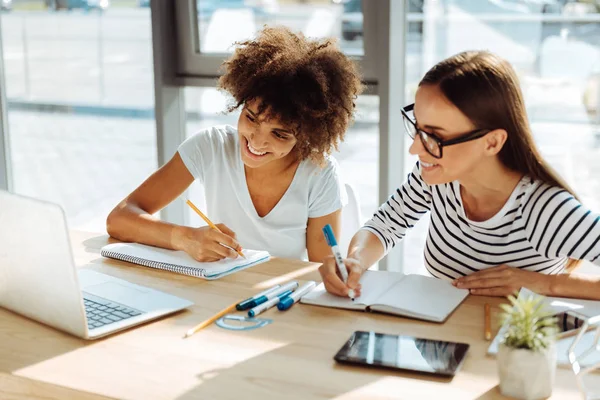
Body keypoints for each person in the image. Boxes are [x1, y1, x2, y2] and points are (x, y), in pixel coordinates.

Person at [319, 50, 600, 299]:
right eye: (417, 128)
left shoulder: (544, 209)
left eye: (435, 137)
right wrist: (355, 261)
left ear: (491, 142)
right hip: (440, 345)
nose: (415, 149)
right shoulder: (440, 178)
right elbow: (385, 225)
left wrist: (540, 284)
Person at [106, 26, 363, 262]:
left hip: (280, 299)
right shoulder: (210, 146)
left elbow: (320, 273)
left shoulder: (319, 173)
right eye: (251, 118)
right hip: (218, 292)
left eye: (280, 134)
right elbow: (119, 219)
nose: (257, 140)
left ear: (305, 136)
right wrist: (185, 238)